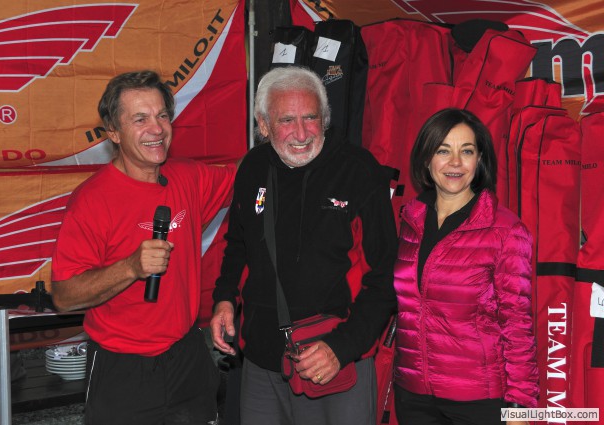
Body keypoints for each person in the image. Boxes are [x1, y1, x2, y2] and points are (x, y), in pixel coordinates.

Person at [210, 66, 397, 425]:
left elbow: (387, 276)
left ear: (324, 118)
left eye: (310, 118)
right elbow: (238, 244)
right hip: (262, 362)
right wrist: (224, 298)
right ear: (263, 125)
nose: (301, 133)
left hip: (335, 364)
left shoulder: (359, 171)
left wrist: (341, 348)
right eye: (286, 120)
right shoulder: (253, 168)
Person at [51, 70, 236, 425]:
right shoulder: (92, 201)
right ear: (114, 132)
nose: (157, 129)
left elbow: (245, 175)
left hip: (187, 357)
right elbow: (63, 296)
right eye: (140, 119)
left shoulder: (188, 177)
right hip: (123, 367)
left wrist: (283, 135)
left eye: (162, 115)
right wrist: (131, 267)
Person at [392, 108, 539, 425]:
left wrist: (520, 407)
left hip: (478, 401)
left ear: (479, 159)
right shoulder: (410, 220)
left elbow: (518, 327)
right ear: (427, 158)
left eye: (467, 151)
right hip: (413, 395)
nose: (455, 162)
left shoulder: (506, 231)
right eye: (443, 150)